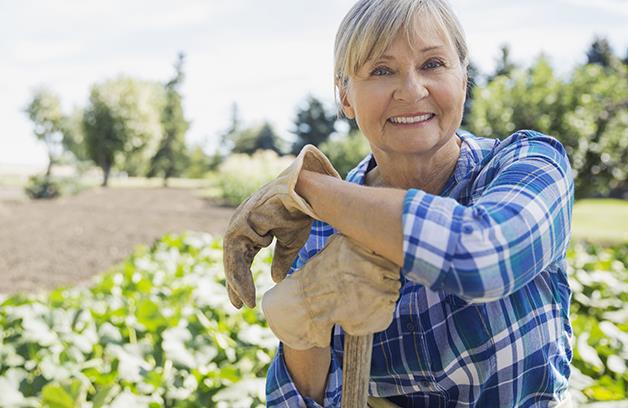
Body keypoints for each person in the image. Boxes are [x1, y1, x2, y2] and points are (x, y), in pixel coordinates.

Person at [223, 0, 575, 406]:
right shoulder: (318, 229)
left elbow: (484, 256)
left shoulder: (529, 164)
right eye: (381, 70)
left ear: (463, 79)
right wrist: (303, 329)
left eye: (433, 64)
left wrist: (309, 188)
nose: (411, 90)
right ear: (345, 96)